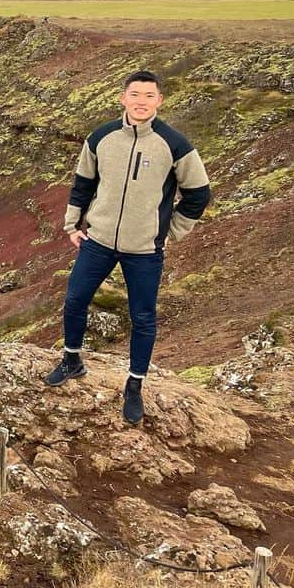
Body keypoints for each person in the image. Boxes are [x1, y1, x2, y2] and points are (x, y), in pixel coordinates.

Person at [45, 70, 211, 424]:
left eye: (148, 95)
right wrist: (72, 224)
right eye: (134, 94)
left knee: (143, 317)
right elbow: (83, 182)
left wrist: (171, 231)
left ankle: (134, 386)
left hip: (144, 249)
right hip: (100, 240)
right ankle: (72, 360)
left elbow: (199, 193)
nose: (140, 101)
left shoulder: (175, 144)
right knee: (75, 300)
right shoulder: (102, 137)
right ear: (123, 98)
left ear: (159, 101)